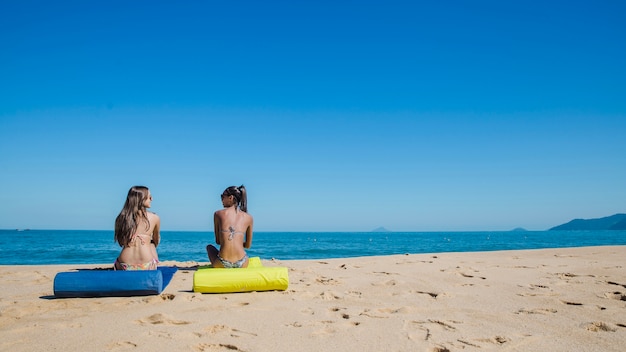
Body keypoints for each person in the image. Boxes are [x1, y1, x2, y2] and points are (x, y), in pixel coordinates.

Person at [113, 186, 160, 270]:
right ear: (141, 199)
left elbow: (121, 243)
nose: (152, 199)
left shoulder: (121, 218)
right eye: (149, 197)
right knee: (152, 244)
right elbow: (156, 241)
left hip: (124, 265)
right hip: (146, 265)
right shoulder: (154, 218)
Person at [206, 185, 253, 268]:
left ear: (231, 198)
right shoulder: (249, 217)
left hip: (222, 262)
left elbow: (218, 241)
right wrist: (237, 241)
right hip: (243, 262)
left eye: (222, 196)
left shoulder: (218, 214)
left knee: (209, 247)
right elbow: (248, 246)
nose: (221, 200)